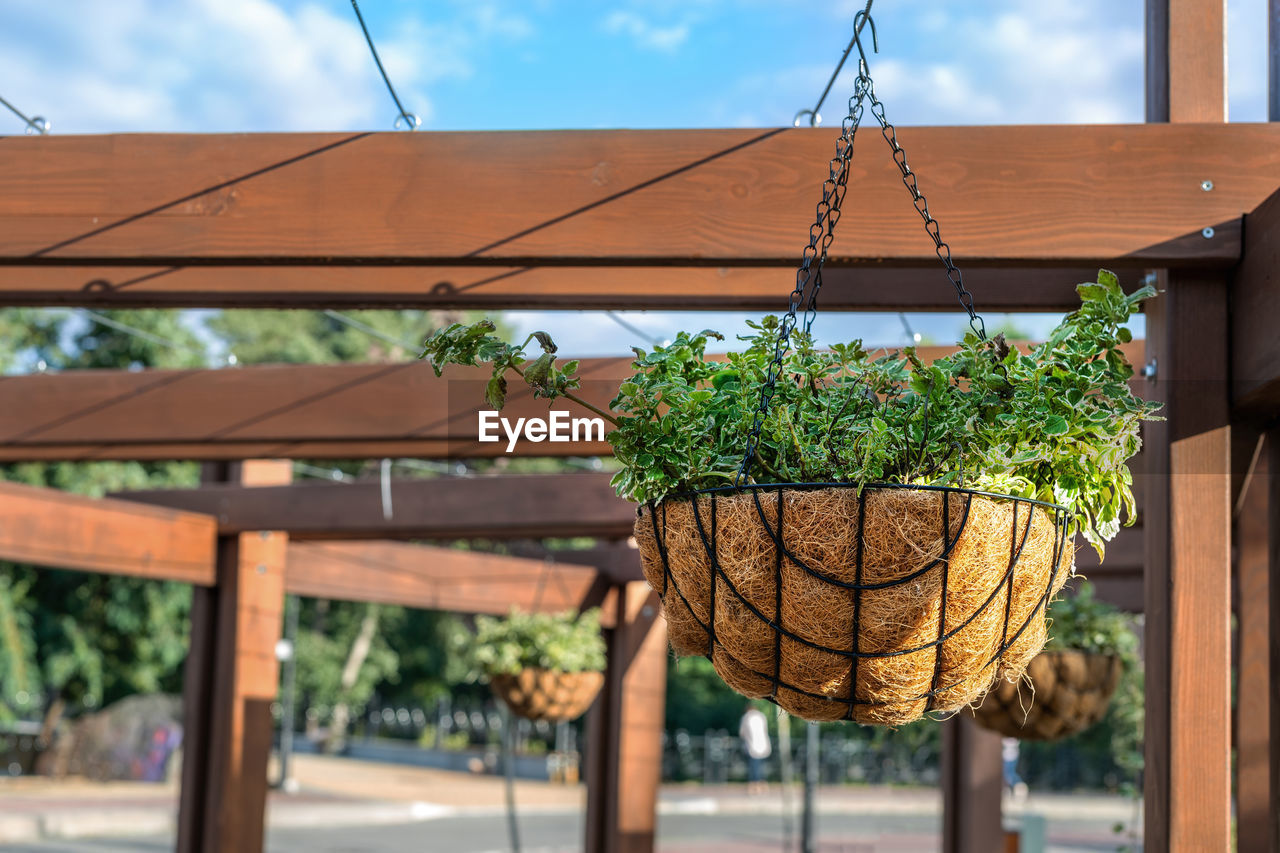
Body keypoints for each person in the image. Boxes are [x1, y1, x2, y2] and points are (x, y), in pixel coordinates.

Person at [738, 704, 772, 795]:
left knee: (753, 767)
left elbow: (742, 733)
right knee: (761, 767)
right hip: (764, 745)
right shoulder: (761, 716)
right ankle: (763, 785)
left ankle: (754, 786)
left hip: (752, 746)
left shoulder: (746, 717)